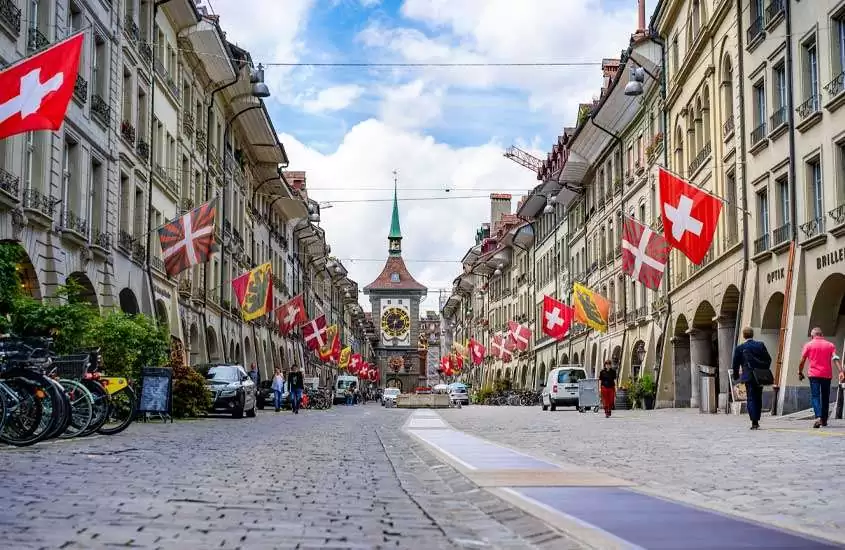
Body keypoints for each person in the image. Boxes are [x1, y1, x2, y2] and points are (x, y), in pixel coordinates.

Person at [731, 327, 771, 430]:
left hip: (748, 376)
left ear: (744, 336)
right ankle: (757, 418)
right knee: (758, 397)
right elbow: (768, 359)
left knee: (751, 398)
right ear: (752, 335)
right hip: (760, 376)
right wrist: (763, 369)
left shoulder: (740, 348)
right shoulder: (760, 345)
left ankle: (754, 421)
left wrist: (736, 376)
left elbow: (735, 363)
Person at [798, 327, 836, 428]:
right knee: (825, 397)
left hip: (814, 375)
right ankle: (824, 420)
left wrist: (800, 372)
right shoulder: (830, 345)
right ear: (822, 334)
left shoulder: (808, 345)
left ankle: (818, 416)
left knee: (815, 396)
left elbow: (802, 360)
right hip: (827, 374)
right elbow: (835, 357)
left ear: (812, 336)